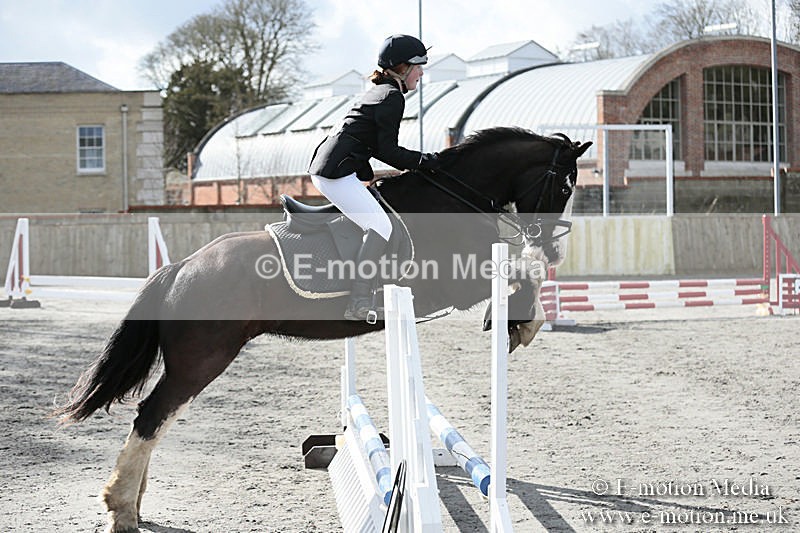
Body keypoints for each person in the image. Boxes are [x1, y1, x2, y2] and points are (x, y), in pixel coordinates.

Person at [308, 34, 441, 321]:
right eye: (418, 66)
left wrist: (366, 174)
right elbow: (388, 151)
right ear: (402, 67)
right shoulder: (391, 97)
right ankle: (357, 301)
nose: (421, 72)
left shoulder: (379, 92)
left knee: (381, 216)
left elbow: (363, 140)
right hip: (334, 173)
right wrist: (425, 161)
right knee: (380, 226)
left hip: (335, 167)